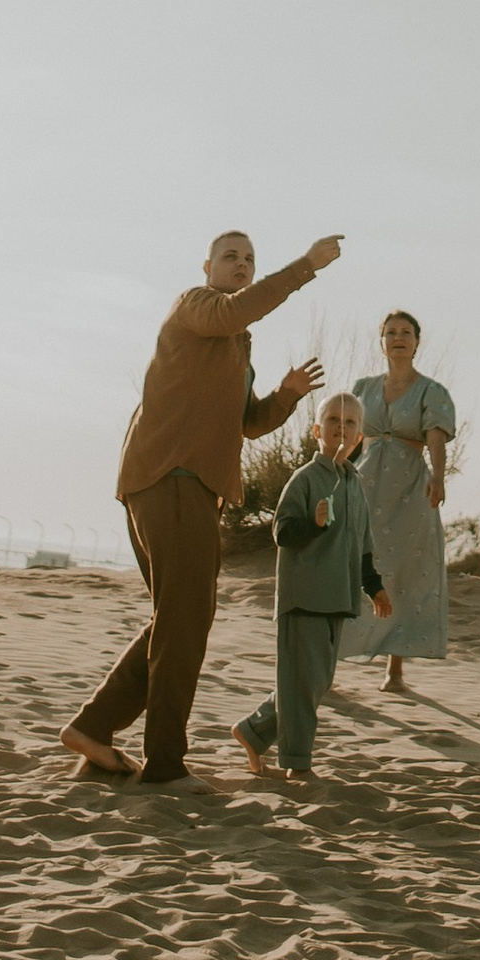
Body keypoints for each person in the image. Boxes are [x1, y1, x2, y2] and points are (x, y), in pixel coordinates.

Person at [60, 223, 340, 784]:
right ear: (207, 269)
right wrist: (306, 265)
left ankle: (93, 727)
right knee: (185, 620)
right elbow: (235, 312)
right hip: (172, 478)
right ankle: (164, 762)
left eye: (249, 259)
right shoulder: (196, 306)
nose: (242, 264)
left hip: (183, 486)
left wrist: (285, 396)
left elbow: (246, 424)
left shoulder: (236, 344)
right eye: (230, 257)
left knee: (179, 619)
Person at [234, 392, 390, 788]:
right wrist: (314, 524)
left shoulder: (356, 485)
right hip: (303, 597)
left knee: (315, 682)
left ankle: (254, 732)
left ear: (360, 436)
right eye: (334, 421)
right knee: (303, 683)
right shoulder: (305, 478)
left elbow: (363, 547)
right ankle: (297, 764)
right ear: (317, 431)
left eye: (351, 422)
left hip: (339, 598)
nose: (342, 427)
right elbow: (283, 532)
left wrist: (375, 588)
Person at [340, 309, 456, 693]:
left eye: (406, 332)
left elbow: (435, 437)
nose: (398, 338)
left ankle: (395, 668)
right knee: (352, 564)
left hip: (409, 488)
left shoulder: (430, 391)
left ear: (417, 342)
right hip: (365, 483)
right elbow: (349, 437)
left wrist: (438, 477)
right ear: (382, 342)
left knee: (402, 572)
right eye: (390, 333)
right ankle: (332, 656)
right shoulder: (363, 387)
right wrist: (332, 475)